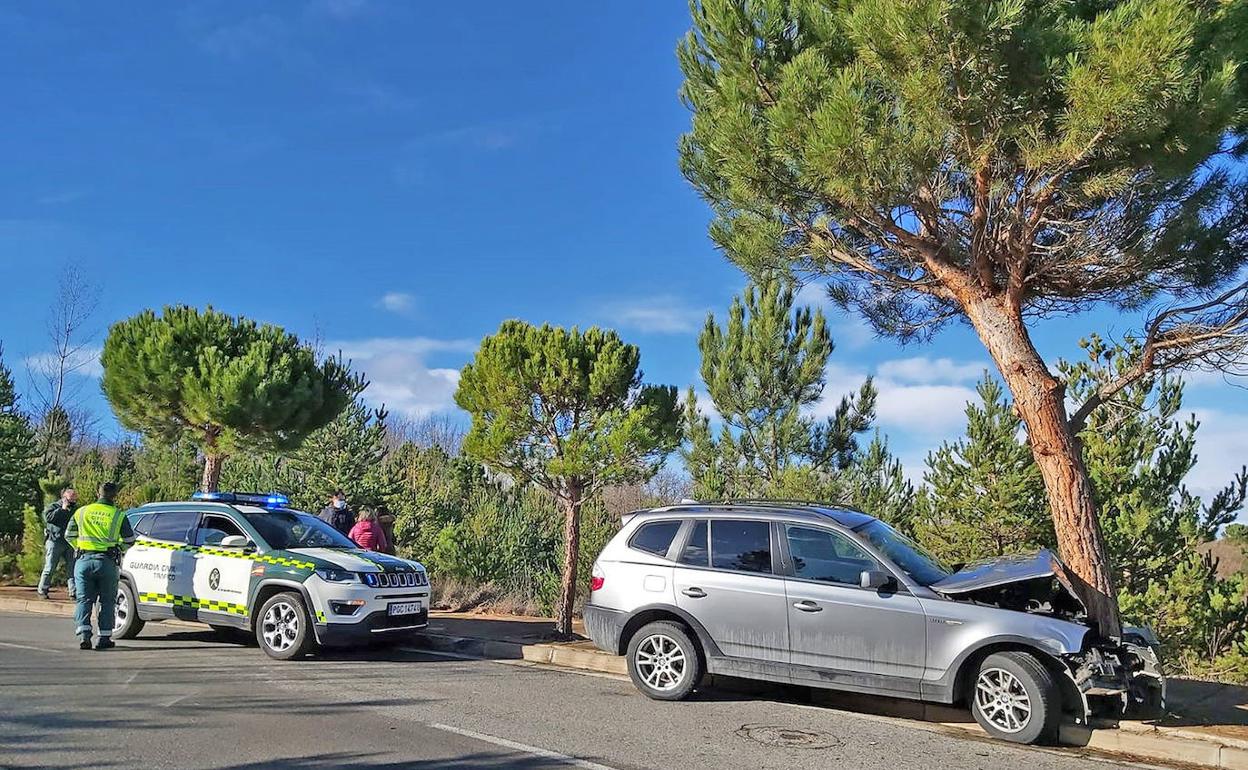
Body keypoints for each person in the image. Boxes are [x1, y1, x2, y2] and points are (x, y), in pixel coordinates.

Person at [64, 482, 134, 651]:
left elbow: (68, 535)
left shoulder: (82, 512)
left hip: (83, 561)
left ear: (98, 493)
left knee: (84, 599)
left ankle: (84, 636)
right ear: (114, 495)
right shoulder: (118, 515)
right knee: (107, 601)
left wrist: (79, 546)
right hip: (107, 562)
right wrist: (118, 549)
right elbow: (130, 540)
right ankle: (103, 637)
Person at [36, 487, 79, 600]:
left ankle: (73, 592)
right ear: (64, 498)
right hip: (55, 541)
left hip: (70, 542)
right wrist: (62, 509)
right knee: (50, 567)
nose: (73, 502)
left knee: (72, 568)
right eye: (71, 500)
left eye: (75, 499)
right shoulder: (53, 507)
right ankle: (42, 590)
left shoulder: (75, 510)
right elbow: (49, 518)